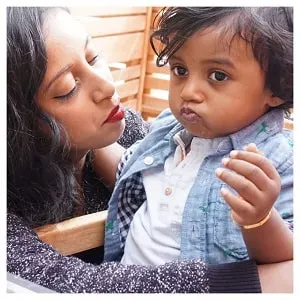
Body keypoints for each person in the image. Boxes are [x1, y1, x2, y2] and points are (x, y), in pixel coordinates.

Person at [7, 6, 293, 293]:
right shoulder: (172, 135)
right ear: (17, 123)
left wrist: (261, 221)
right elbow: (82, 288)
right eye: (68, 88)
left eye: (93, 58)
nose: (108, 86)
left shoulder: (267, 163)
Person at [104, 7, 293, 267]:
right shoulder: (167, 131)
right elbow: (124, 167)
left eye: (218, 75)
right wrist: (90, 140)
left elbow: (287, 266)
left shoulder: (277, 162)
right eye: (180, 70)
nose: (189, 92)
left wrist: (259, 219)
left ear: (278, 87)